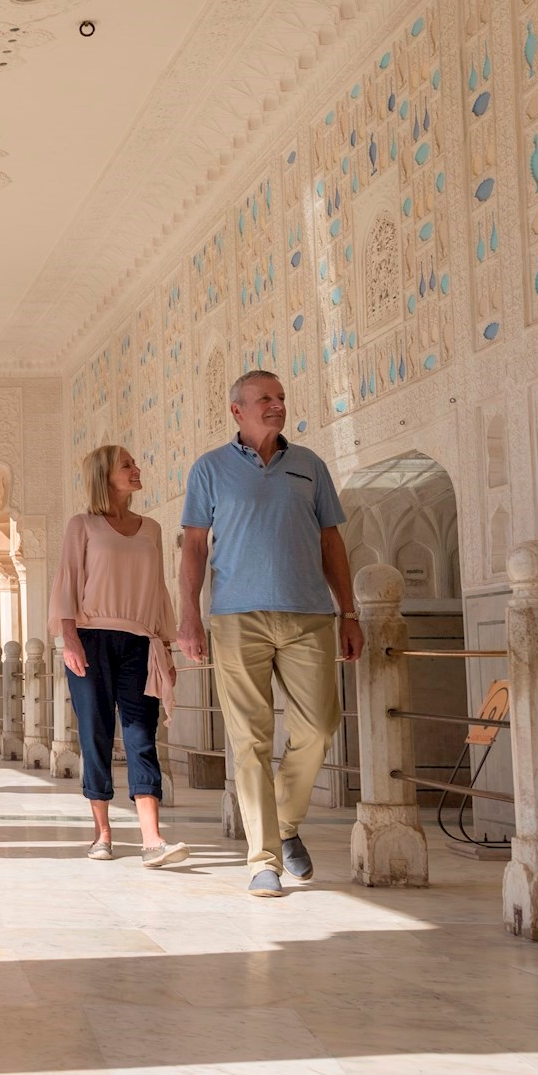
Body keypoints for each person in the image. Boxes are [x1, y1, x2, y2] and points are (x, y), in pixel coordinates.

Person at [176, 371, 362, 897]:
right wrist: (189, 614)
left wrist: (348, 612)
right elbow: (193, 548)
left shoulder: (309, 466)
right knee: (250, 740)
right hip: (237, 618)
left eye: (280, 398)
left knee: (319, 728)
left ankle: (283, 824)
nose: (277, 406)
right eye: (266, 399)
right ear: (237, 410)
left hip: (309, 616)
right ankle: (263, 858)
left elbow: (331, 543)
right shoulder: (209, 470)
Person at [52, 444, 189, 870]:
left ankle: (152, 838)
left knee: (141, 734)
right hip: (90, 640)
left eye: (135, 462)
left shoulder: (152, 528)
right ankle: (102, 832)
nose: (136, 468)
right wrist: (69, 638)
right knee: (95, 732)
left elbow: (158, 589)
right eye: (126, 465)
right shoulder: (83, 525)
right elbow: (68, 583)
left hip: (140, 642)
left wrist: (165, 645)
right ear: (104, 476)